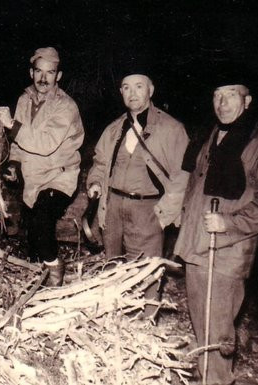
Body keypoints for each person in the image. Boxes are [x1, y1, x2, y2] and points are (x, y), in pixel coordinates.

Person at [174, 76, 258, 384]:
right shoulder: (212, 134)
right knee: (202, 326)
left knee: (217, 331)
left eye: (230, 95)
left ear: (247, 101)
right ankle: (206, 377)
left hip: (226, 251)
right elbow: (195, 184)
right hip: (197, 245)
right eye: (217, 95)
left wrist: (230, 222)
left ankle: (218, 381)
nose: (222, 103)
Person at [86, 72, 190, 318]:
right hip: (112, 207)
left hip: (148, 208)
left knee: (146, 272)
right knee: (113, 266)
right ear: (121, 92)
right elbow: (100, 163)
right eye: (126, 87)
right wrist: (95, 183)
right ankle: (116, 320)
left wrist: (165, 212)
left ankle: (145, 325)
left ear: (151, 90)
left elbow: (183, 175)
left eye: (139, 86)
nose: (132, 93)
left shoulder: (171, 128)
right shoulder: (114, 129)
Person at [0, 47, 84, 286]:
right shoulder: (24, 99)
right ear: (31, 72)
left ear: (59, 75)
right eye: (39, 71)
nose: (43, 78)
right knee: (34, 241)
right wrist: (14, 164)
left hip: (60, 176)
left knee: (42, 220)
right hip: (33, 178)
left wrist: (10, 124)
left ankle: (56, 273)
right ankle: (39, 276)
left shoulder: (66, 106)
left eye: (50, 72)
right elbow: (19, 142)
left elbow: (45, 143)